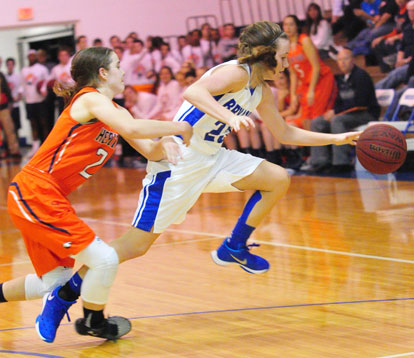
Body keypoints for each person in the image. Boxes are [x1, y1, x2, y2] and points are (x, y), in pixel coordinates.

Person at [1, 22, 360, 343]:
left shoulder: (260, 91)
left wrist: (338, 140)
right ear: (266, 55)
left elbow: (283, 132)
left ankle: (233, 247)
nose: (286, 63)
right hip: (182, 163)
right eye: (282, 57)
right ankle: (67, 301)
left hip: (212, 156)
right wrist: (208, 124)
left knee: (278, 177)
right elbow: (193, 94)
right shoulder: (234, 73)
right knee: (131, 249)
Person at [1, 46, 192, 343]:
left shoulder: (117, 111)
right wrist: (179, 125)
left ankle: (61, 304)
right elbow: (132, 127)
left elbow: (149, 148)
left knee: (53, 283)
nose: (124, 70)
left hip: (46, 197)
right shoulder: (90, 99)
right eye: (118, 64)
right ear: (103, 73)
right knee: (104, 260)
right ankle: (94, 322)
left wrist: (165, 141)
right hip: (34, 191)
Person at [303, 48, 380, 173]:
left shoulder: (361, 76)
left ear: (353, 60)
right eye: (339, 60)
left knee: (337, 120)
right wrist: (333, 110)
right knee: (317, 122)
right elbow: (339, 101)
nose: (342, 63)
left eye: (345, 59)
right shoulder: (342, 78)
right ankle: (320, 161)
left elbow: (360, 103)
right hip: (348, 114)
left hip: (366, 114)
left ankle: (341, 163)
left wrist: (336, 112)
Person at [283, 15, 336, 130]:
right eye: (285, 25)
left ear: (297, 26)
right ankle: (310, 147)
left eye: (291, 24)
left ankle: (322, 145)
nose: (288, 28)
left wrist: (311, 90)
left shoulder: (304, 40)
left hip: (321, 79)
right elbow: (292, 74)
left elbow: (316, 66)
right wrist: (293, 94)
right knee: (305, 116)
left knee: (315, 115)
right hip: (305, 83)